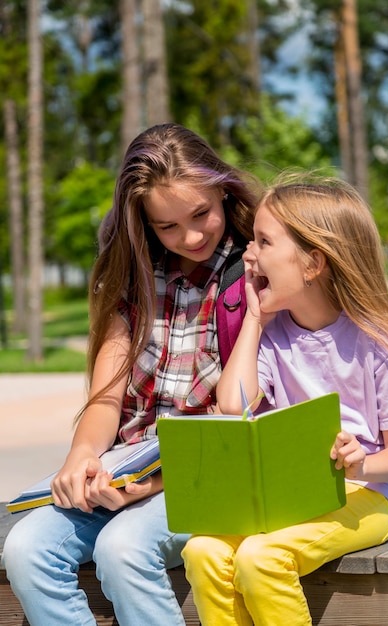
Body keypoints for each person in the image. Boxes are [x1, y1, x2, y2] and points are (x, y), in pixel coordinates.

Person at [2, 123, 259, 626]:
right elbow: (105, 400)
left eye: (201, 214)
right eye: (167, 226)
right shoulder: (136, 280)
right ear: (142, 223)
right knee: (27, 549)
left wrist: (157, 482)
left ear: (224, 191)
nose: (190, 236)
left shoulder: (253, 272)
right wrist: (82, 456)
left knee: (122, 550)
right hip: (131, 470)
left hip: (214, 474)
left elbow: (252, 415)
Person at [182, 172, 388, 626]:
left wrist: (360, 464)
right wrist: (254, 318)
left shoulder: (381, 343)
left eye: (264, 243)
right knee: (203, 549)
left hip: (370, 495)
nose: (248, 255)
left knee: (261, 558)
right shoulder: (275, 335)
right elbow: (235, 406)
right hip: (296, 497)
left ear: (312, 264)